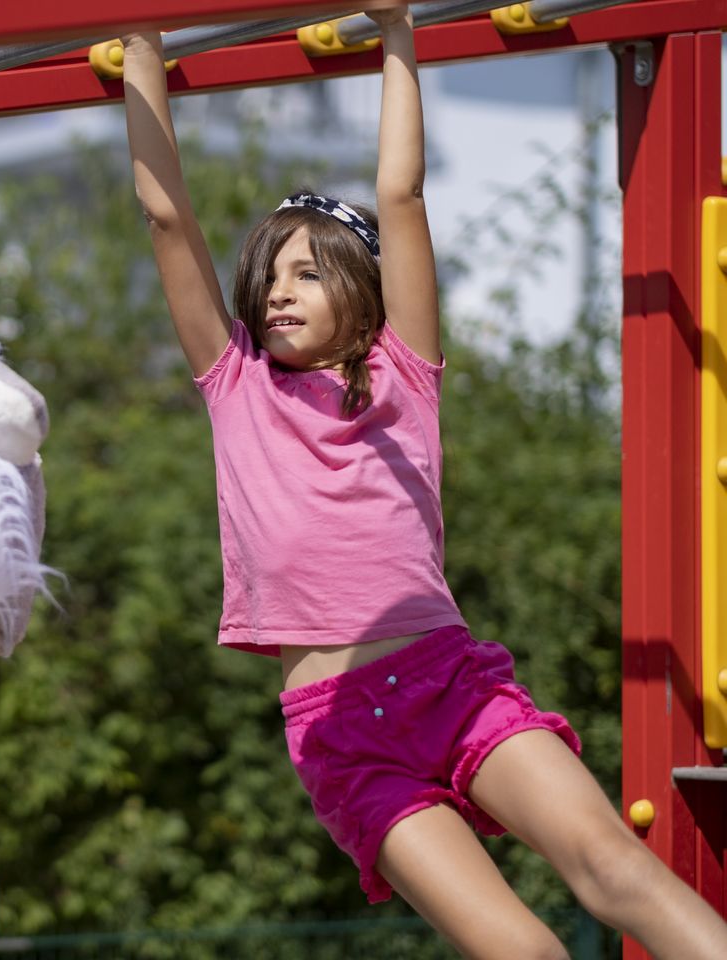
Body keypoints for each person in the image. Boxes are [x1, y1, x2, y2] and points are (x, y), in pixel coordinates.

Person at [123, 13, 727, 959]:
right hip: (339, 734)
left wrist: (399, 27)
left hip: (449, 682)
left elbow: (400, 194)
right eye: (269, 274)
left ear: (361, 298)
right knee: (524, 952)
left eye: (309, 273)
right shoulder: (235, 384)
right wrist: (142, 47)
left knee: (611, 868)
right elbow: (167, 217)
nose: (279, 291)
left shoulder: (403, 375)